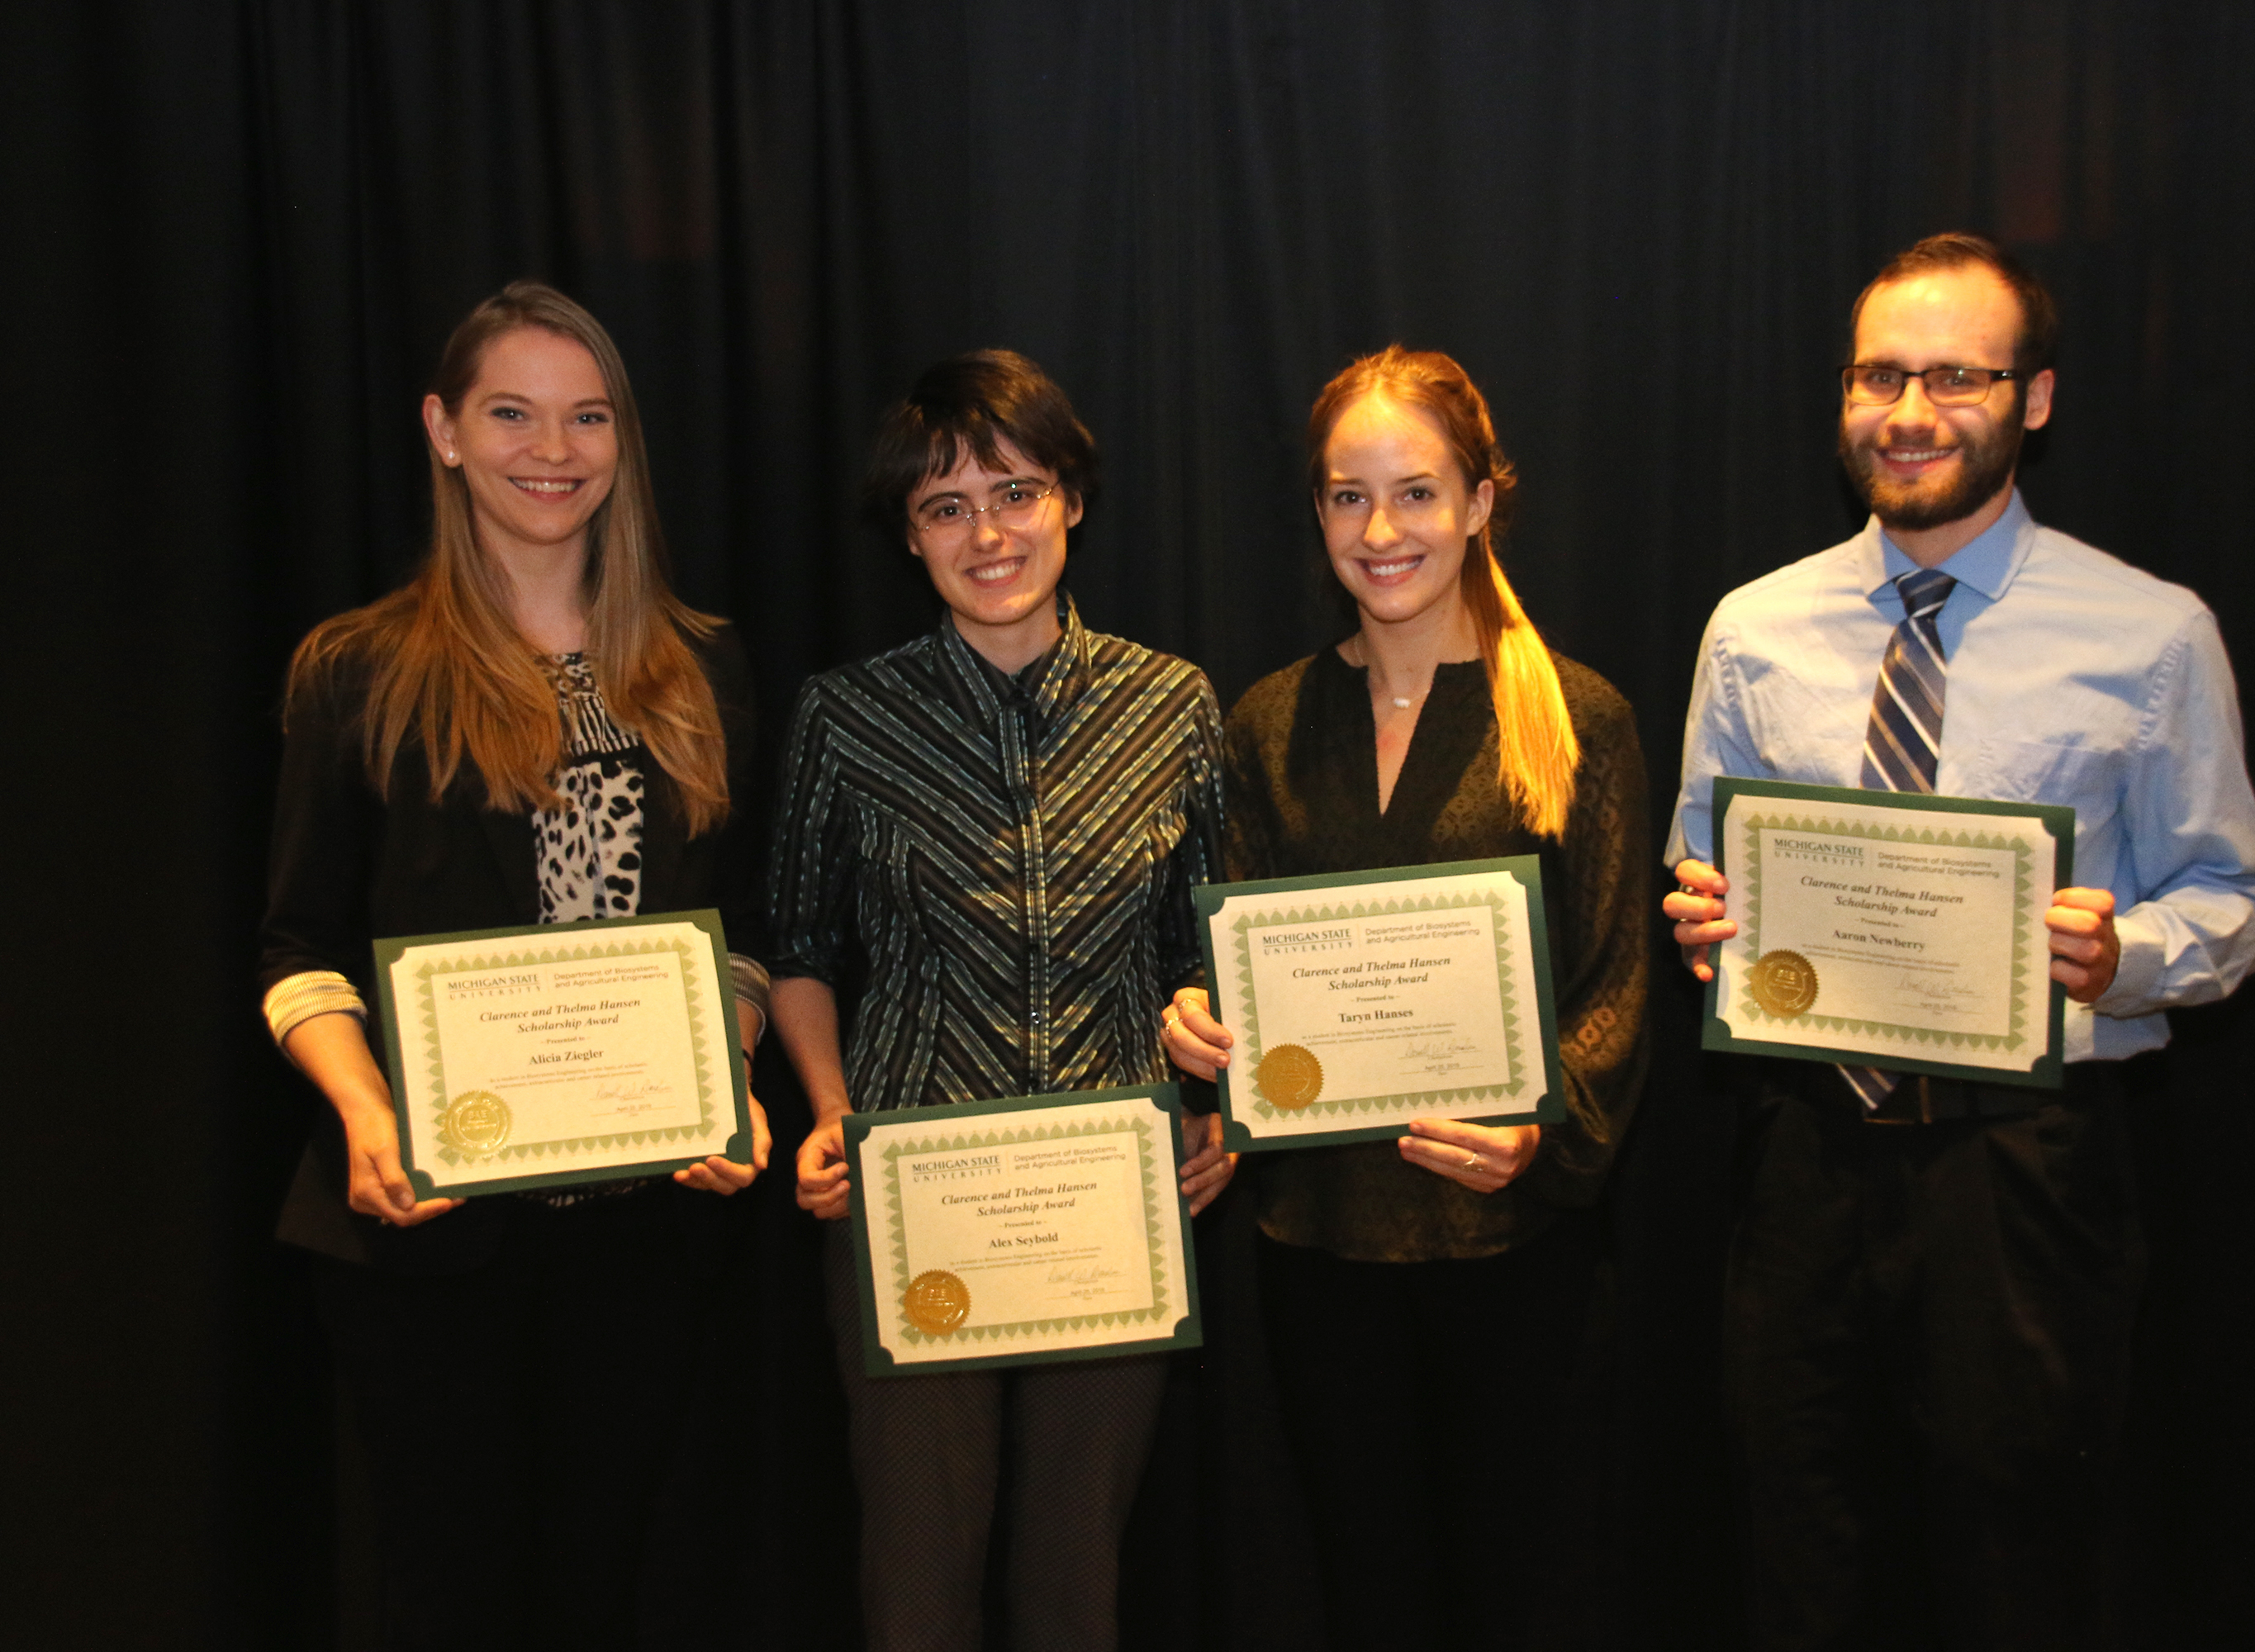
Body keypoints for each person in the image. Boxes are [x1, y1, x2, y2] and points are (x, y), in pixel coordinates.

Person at [1662, 233, 2255, 1650]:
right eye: (1882, 373)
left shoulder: (2152, 635)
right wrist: (1701, 911)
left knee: (2022, 1567)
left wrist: (2126, 952)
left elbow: (2236, 898)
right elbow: (1701, 852)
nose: (1910, 409)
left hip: (2023, 1170)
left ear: (2036, 398)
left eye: (1956, 374)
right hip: (1803, 1150)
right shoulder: (1755, 628)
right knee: (1800, 1551)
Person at [258, 281, 773, 1648]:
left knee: (610, 1588)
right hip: (425, 1232)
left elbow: (734, 937)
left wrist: (731, 1080)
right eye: (512, 413)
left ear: (623, 442)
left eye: (587, 416)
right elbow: (298, 948)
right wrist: (370, 1118)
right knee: (452, 1595)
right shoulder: (359, 672)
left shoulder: (701, 671)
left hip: (643, 1233)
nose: (554, 449)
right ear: (443, 431)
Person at [1161, 345, 1654, 1651]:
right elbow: (1236, 935)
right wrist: (1201, 1015)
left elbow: (1615, 980)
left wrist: (1546, 1136)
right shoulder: (1268, 719)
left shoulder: (1577, 720)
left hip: (1509, 1251)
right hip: (1318, 1245)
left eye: (1419, 493)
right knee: (1360, 1588)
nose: (1382, 532)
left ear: (1485, 501)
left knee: (1516, 1587)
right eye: (1346, 497)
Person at [767, 349, 1236, 1652]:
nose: (988, 534)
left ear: (1072, 499)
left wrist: (1210, 1096)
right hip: (909, 1193)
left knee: (1075, 1580)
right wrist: (826, 1114)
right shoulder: (845, 719)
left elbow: (1209, 944)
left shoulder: (1173, 706)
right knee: (917, 1581)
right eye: (945, 506)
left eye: (1017, 492)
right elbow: (800, 946)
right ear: (909, 536)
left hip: (1114, 1195)